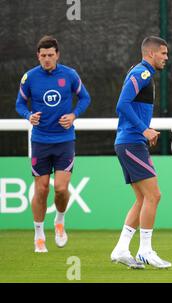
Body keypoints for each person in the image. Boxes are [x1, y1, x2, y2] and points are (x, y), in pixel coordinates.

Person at [15, 35, 91, 253]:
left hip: (65, 140)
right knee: (41, 189)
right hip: (40, 141)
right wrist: (28, 115)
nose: (47, 59)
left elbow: (85, 98)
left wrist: (74, 115)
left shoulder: (70, 75)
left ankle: (59, 221)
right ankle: (39, 234)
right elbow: (20, 104)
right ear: (38, 56)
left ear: (57, 55)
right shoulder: (29, 78)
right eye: (43, 55)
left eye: (50, 55)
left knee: (60, 188)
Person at [110, 36, 171, 269]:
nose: (166, 58)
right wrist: (144, 129)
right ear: (150, 53)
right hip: (132, 142)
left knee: (143, 198)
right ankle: (145, 250)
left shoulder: (142, 73)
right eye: (163, 53)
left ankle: (121, 249)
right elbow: (121, 105)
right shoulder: (142, 73)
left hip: (129, 142)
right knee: (154, 196)